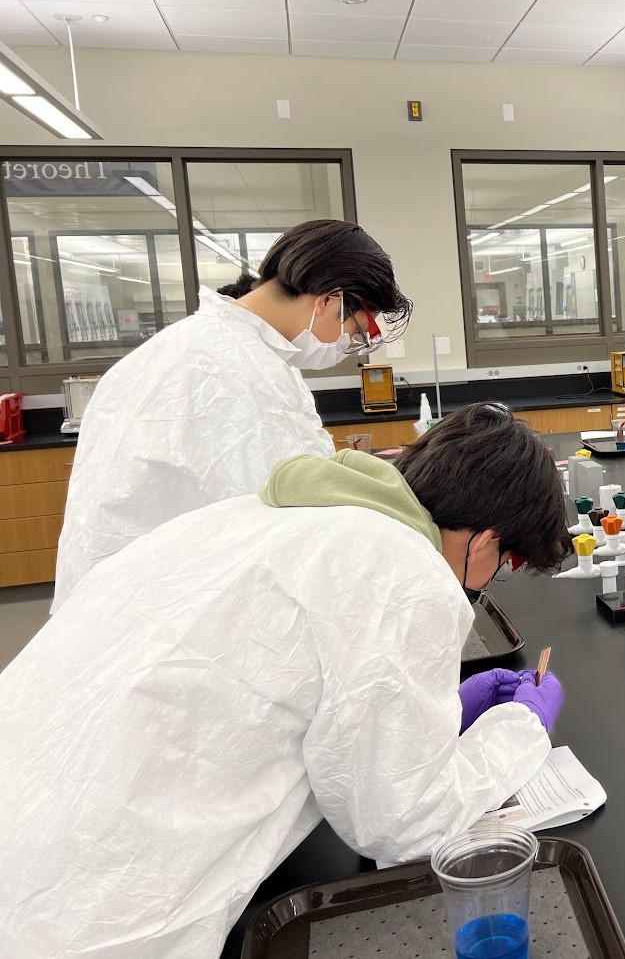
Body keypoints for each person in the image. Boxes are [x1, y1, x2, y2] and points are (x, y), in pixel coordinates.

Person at [0, 404, 571, 957]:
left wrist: (436, 709)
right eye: (507, 560)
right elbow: (405, 825)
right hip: (92, 903)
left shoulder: (265, 515)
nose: (492, 578)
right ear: (487, 537)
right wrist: (521, 728)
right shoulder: (402, 569)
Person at [53, 219, 412, 607]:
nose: (346, 344)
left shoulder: (202, 344)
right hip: (161, 600)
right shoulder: (237, 369)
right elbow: (291, 505)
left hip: (123, 589)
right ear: (329, 300)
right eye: (356, 330)